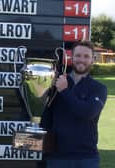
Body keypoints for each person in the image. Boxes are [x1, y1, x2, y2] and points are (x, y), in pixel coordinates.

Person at [40, 40, 107, 168]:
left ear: (93, 59)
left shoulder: (99, 88)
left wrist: (64, 91)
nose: (81, 59)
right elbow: (46, 117)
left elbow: (87, 113)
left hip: (86, 158)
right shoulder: (56, 83)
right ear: (72, 57)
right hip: (57, 157)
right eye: (78, 55)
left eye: (86, 56)